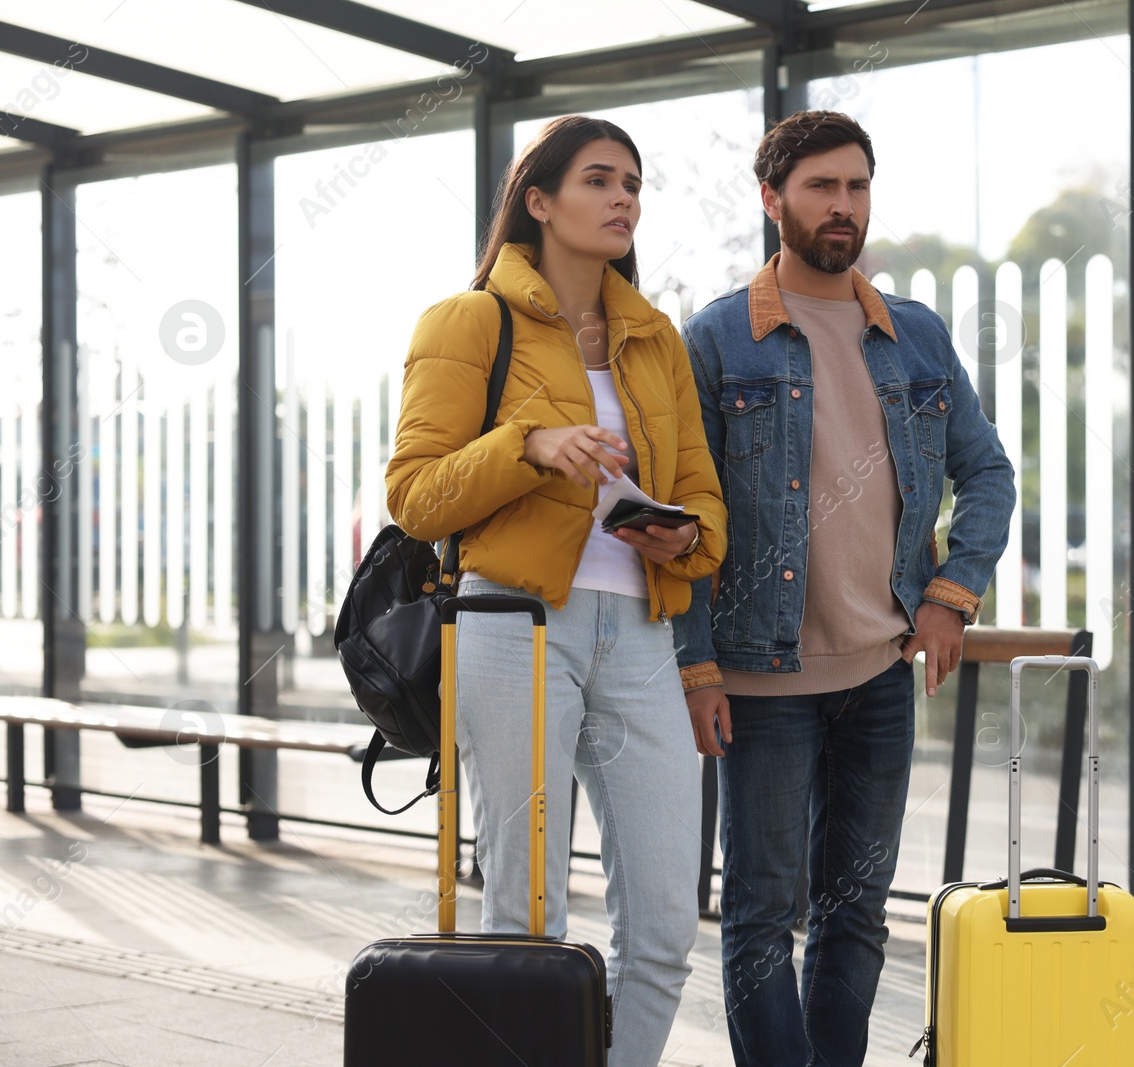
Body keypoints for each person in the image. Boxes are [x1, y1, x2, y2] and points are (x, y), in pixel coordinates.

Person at [673, 110, 1016, 1066]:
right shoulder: (718, 340)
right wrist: (695, 663)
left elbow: (987, 471)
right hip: (761, 680)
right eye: (822, 187)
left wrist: (951, 595)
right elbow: (692, 524)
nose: (843, 206)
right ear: (773, 199)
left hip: (877, 678)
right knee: (758, 914)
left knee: (857, 911)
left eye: (857, 187)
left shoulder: (911, 334)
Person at [385, 114, 726, 1067]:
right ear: (539, 202)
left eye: (633, 183)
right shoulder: (468, 320)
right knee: (525, 912)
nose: (625, 198)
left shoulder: (655, 338)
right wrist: (530, 447)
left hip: (643, 632)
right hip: (514, 625)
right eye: (599, 180)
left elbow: (706, 497)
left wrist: (685, 533)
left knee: (664, 920)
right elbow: (414, 493)